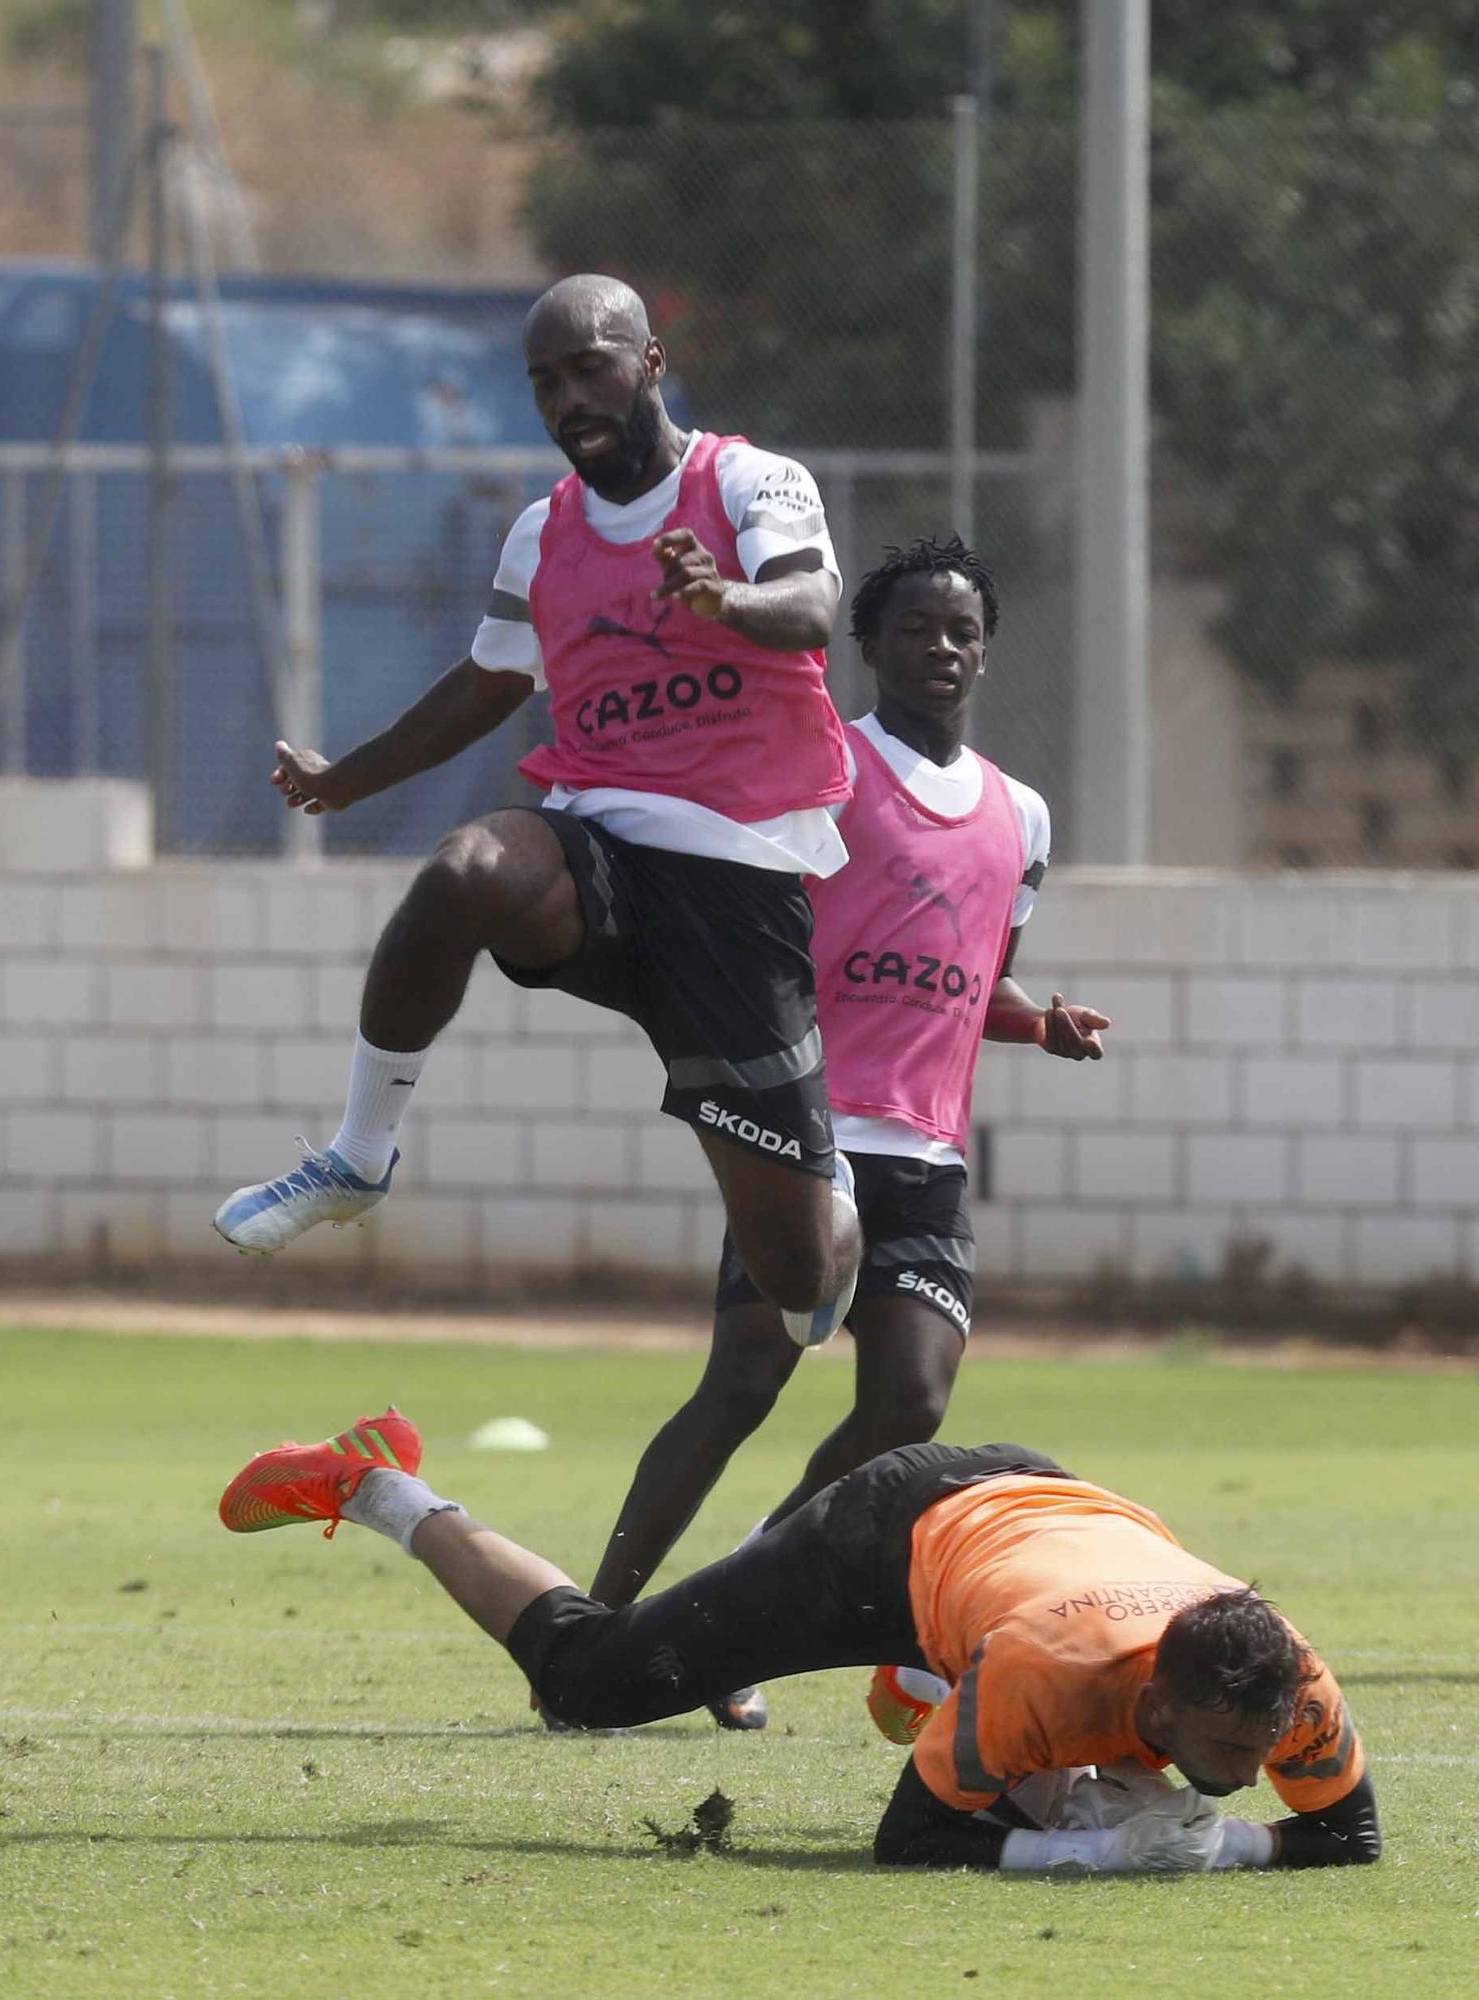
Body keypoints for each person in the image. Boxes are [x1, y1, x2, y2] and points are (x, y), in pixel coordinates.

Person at [213, 274, 860, 1343]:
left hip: (739, 891)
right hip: (600, 851)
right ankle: (358, 1155)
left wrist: (723, 599)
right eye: (546, 382)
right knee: (465, 872)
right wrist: (344, 780)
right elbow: (486, 684)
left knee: (792, 1274)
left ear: (650, 363)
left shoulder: (752, 481)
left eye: (590, 368)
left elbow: (811, 606)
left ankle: (834, 1202)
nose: (569, 400)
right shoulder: (542, 534)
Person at [580, 535, 1109, 1731]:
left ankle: (732, 1612)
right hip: (808, 1138)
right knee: (743, 1383)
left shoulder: (1021, 815)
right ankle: (588, 1630)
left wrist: (1041, 1020)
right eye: (916, 626)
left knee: (911, 1400)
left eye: (963, 629)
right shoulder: (823, 768)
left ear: (987, 651)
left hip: (928, 1160)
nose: (942, 646)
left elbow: (980, 978)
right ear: (868, 644)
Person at [218, 1411, 1382, 1875]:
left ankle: (937, 1674)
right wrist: (1111, 1851)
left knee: (1029, 1759)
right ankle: (378, 1484)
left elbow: (1353, 1834)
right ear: (1165, 1704)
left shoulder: (1288, 1679)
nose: (1252, 1771)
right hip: (882, 1535)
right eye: (1230, 1752)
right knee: (591, 1678)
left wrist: (1234, 1841)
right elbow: (909, 1841)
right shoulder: (1052, 1668)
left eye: (1262, 1744)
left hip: (1027, 1543)